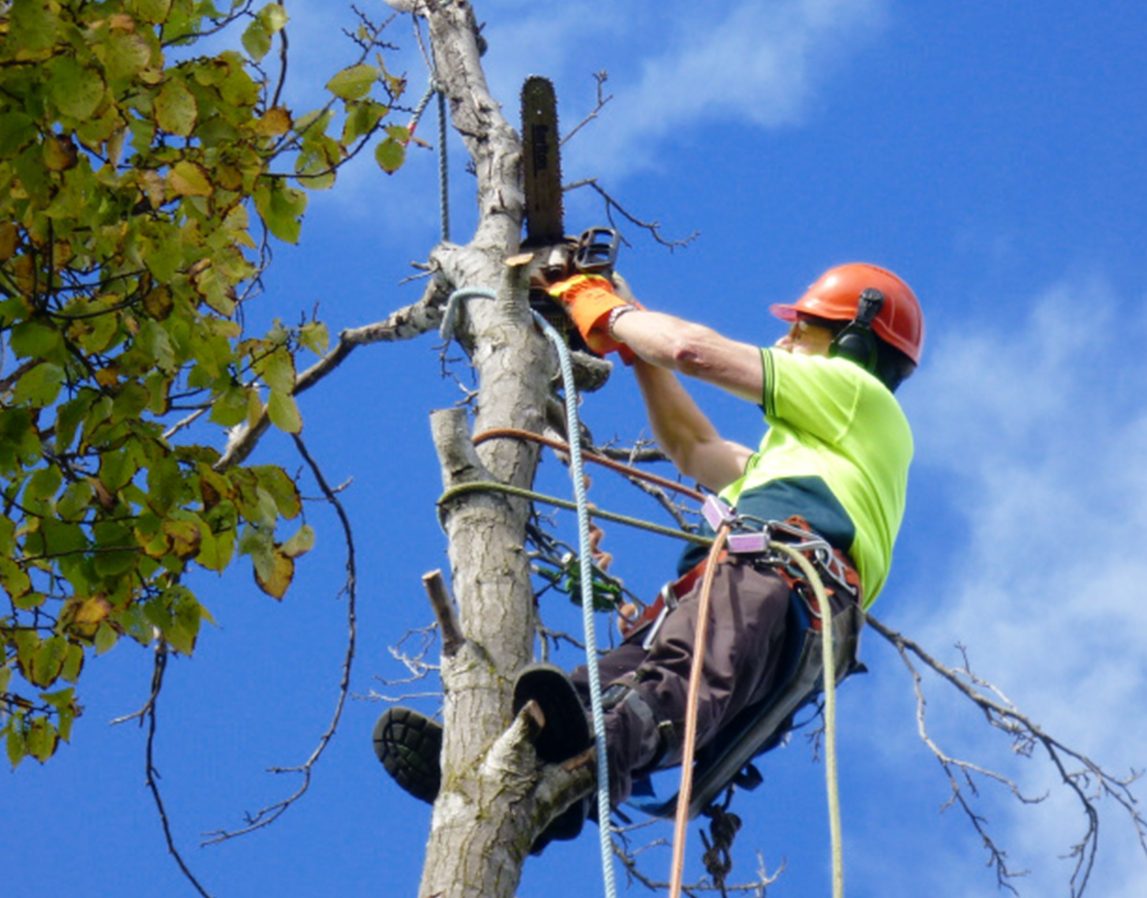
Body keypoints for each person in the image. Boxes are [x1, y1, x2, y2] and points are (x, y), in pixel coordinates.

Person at [373, 263, 921, 849]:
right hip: (743, 588)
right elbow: (694, 445)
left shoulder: (859, 397)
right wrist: (632, 346)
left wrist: (607, 312)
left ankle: (586, 770)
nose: (784, 341)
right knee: (585, 690)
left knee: (669, 687)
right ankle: (498, 770)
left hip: (780, 583)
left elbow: (690, 350)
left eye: (802, 329)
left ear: (855, 339)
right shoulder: (803, 457)